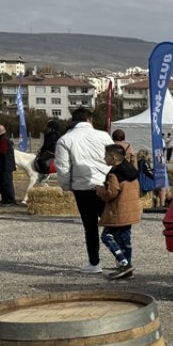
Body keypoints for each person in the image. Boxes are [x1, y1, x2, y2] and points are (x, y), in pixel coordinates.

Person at [55, 108, 113, 274]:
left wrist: (67, 186)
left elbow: (63, 168)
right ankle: (121, 257)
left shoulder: (65, 140)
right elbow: (113, 159)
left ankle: (94, 263)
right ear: (90, 120)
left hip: (82, 188)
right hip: (104, 185)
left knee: (90, 226)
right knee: (111, 223)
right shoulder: (104, 136)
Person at [95, 144, 141, 281]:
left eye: (106, 156)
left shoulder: (114, 174)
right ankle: (127, 270)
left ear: (113, 157)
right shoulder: (131, 170)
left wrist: (99, 190)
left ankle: (124, 264)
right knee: (125, 240)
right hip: (131, 211)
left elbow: (111, 194)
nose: (104, 158)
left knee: (106, 236)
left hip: (118, 212)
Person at [0, 125, 17, 206]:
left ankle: (11, 201)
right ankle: (5, 199)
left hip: (6, 165)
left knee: (6, 183)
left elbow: (3, 151)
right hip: (4, 165)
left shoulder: (3, 139)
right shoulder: (4, 138)